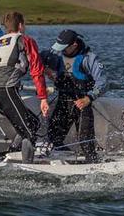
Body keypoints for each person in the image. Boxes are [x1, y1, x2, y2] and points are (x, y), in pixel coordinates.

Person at [0, 11, 50, 162]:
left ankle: (12, 153)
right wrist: (43, 98)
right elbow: (36, 71)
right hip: (8, 92)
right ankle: (28, 169)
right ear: (21, 25)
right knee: (29, 131)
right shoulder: (26, 40)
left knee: (32, 124)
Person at [40, 29, 108, 162]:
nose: (61, 51)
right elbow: (36, 59)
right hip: (63, 102)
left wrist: (89, 98)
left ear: (74, 45)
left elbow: (103, 82)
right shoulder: (55, 56)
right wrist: (44, 69)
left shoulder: (89, 59)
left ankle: (92, 164)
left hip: (82, 104)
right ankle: (63, 159)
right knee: (53, 138)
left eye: (64, 48)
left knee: (85, 142)